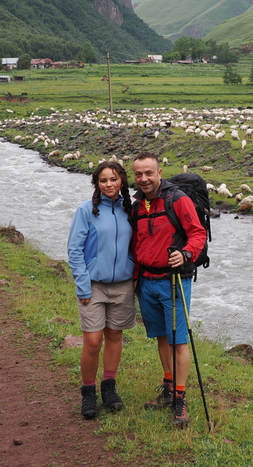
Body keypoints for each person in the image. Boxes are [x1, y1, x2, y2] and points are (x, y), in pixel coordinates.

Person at [131, 151, 206, 428]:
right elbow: (136, 243)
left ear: (159, 173)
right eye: (139, 174)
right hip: (147, 282)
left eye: (149, 173)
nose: (144, 179)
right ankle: (168, 387)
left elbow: (198, 233)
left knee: (179, 341)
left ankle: (180, 399)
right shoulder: (137, 205)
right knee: (162, 336)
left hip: (174, 281)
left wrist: (186, 254)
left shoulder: (178, 199)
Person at [67, 161, 135, 419]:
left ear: (122, 182)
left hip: (122, 285)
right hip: (93, 285)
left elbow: (135, 245)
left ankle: (109, 388)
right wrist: (82, 284)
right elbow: (74, 250)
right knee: (93, 341)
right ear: (97, 183)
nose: (109, 184)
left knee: (115, 335)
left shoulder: (129, 209)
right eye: (103, 180)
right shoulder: (86, 210)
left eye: (114, 179)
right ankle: (88, 392)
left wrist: (133, 271)